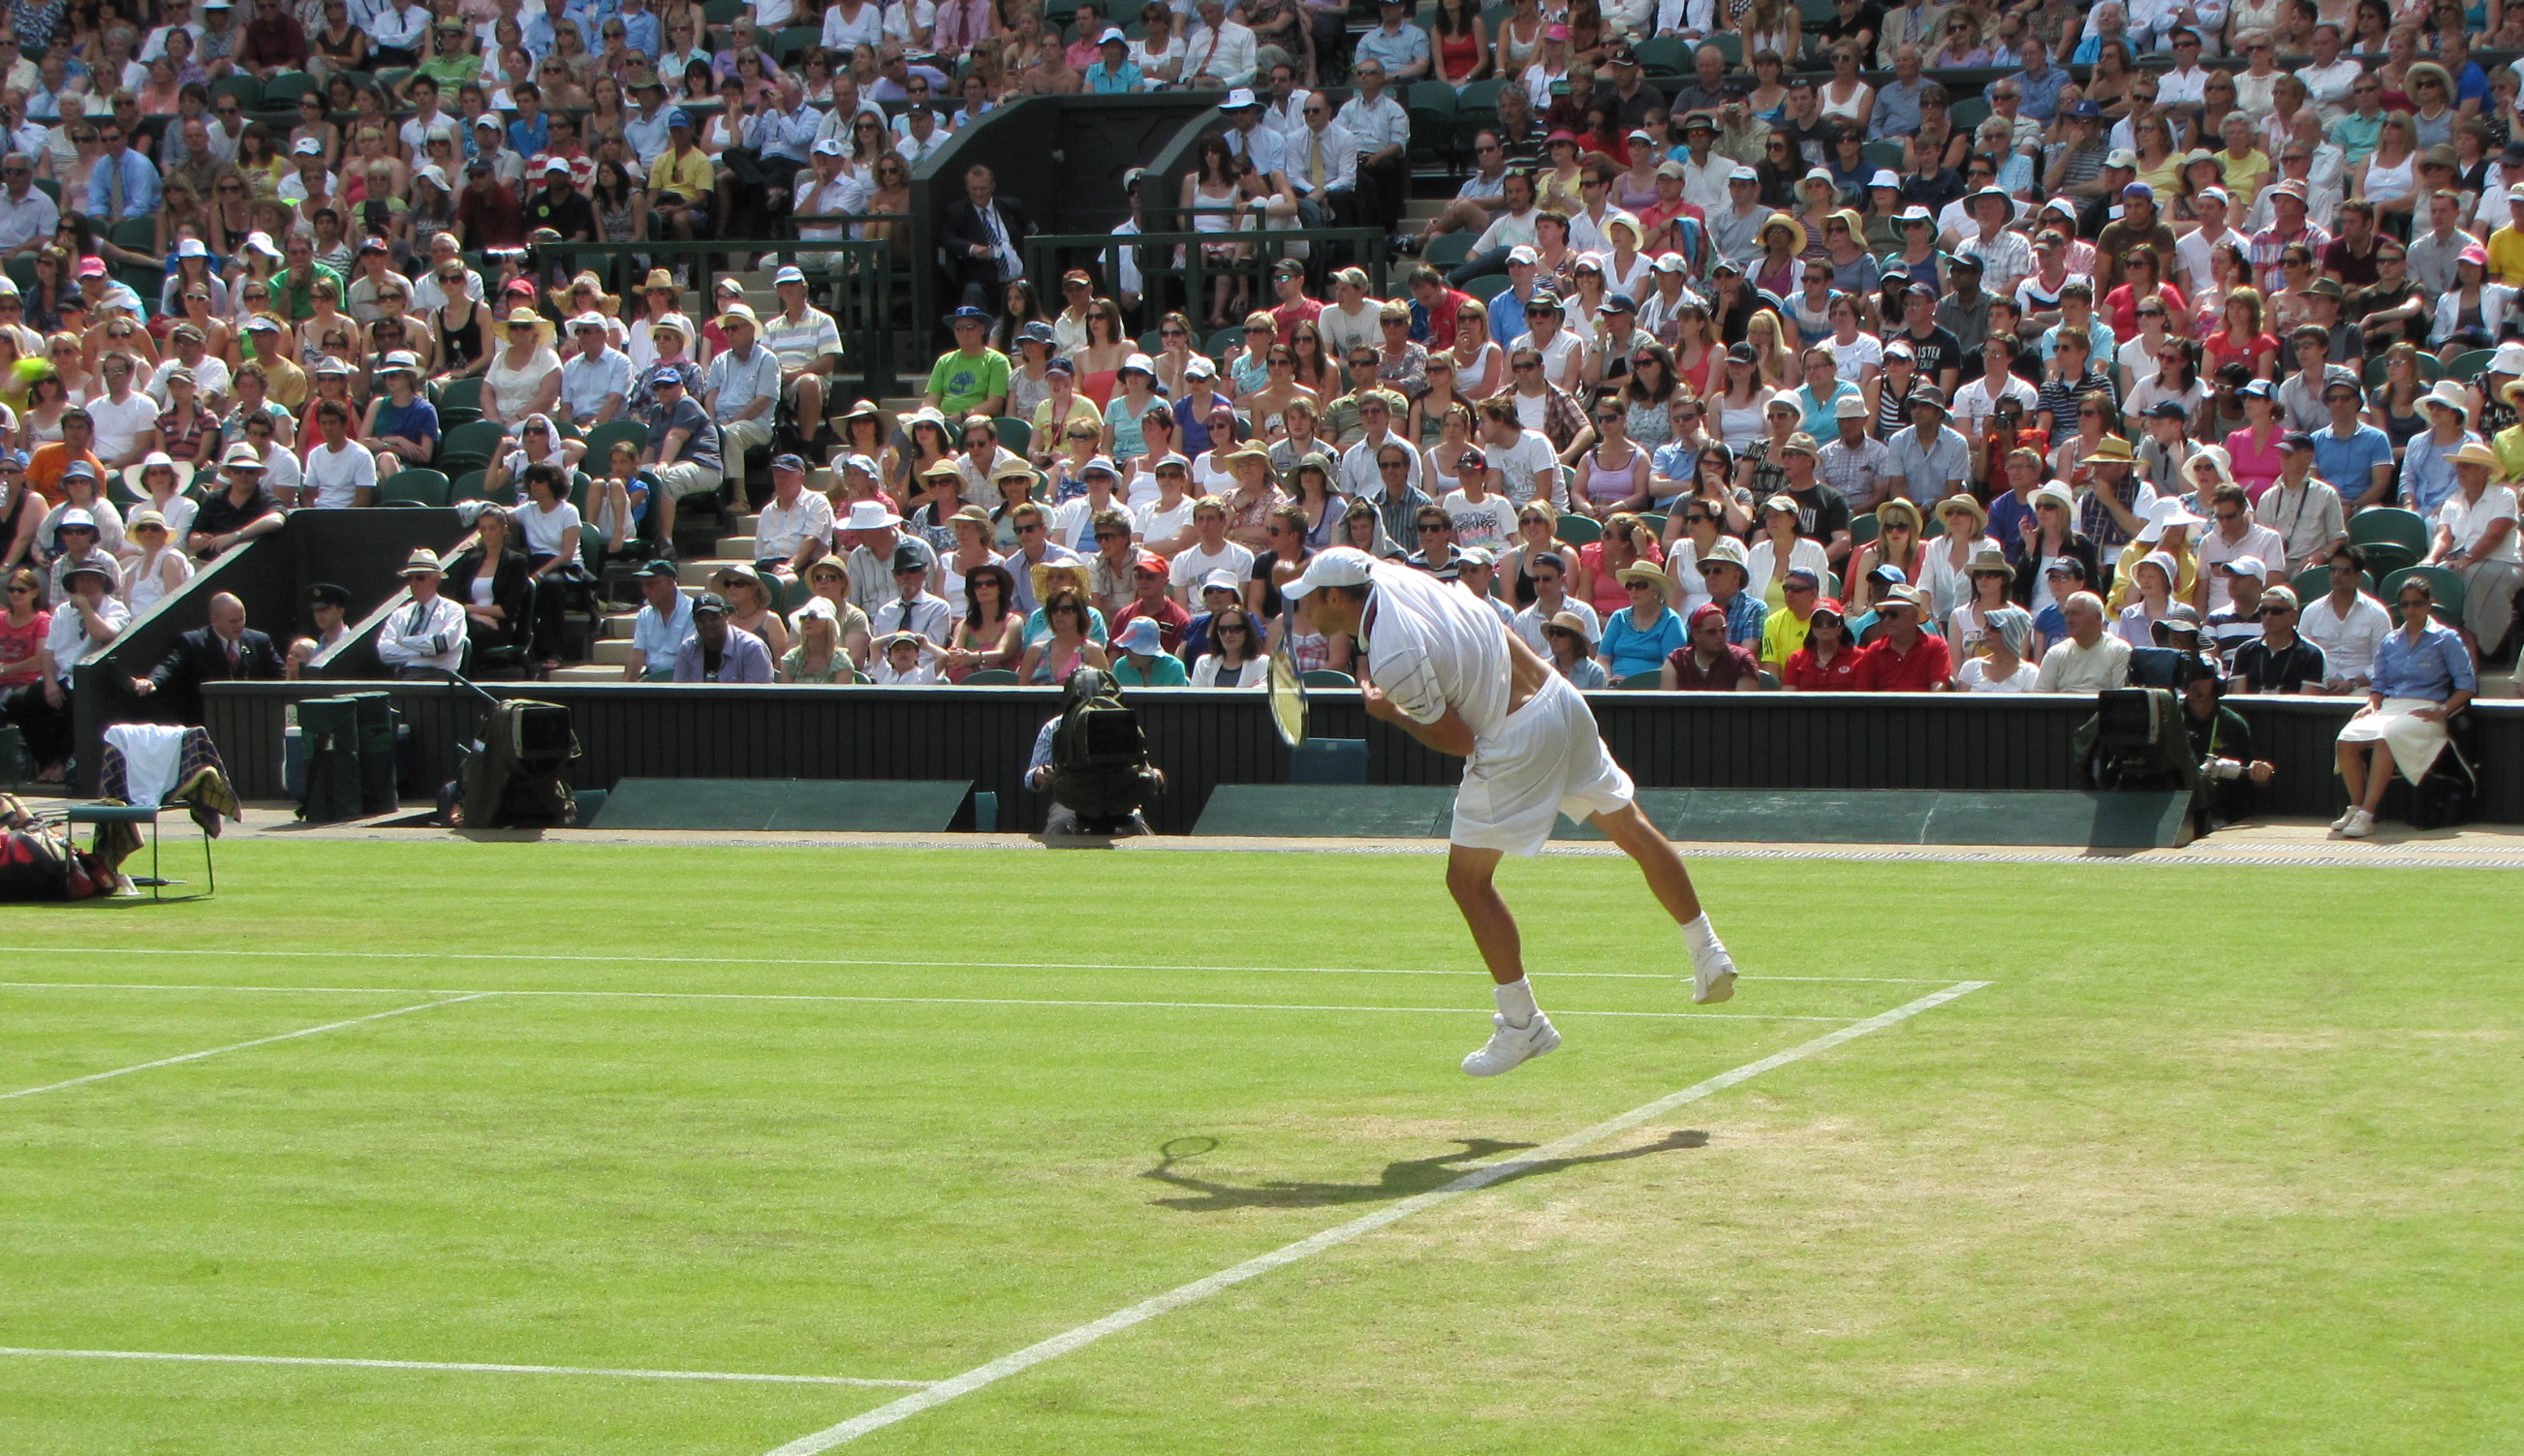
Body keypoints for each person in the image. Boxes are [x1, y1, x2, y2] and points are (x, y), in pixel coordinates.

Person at [1282, 545, 1739, 1078]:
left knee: (1467, 881)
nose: (1304, 611)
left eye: (1310, 600)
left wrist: (1392, 713)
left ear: (1337, 596)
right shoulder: (1392, 574)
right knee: (1628, 826)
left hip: (1514, 737)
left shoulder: (1391, 653)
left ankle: (1523, 1023)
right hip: (1560, 698)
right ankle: (1707, 952)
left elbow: (1458, 740)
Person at [2332, 577, 2475, 838]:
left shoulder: (2447, 638)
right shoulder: (2390, 641)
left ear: (2429, 604)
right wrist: (2371, 704)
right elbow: (2379, 684)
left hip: (2427, 710)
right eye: (2405, 604)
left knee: (2390, 737)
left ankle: (2367, 814)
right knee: (2346, 738)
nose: (2411, 610)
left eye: (2418, 603)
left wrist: (2443, 710)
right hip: (2389, 707)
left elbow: (2467, 685)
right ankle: (2356, 806)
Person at [7, 559, 123, 779]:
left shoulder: (114, 608)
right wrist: (50, 683)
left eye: (91, 579)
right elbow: (49, 652)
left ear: (102, 583)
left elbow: (103, 635)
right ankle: (48, 762)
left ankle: (63, 764)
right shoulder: (62, 611)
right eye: (81, 579)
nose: (85, 584)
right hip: (60, 677)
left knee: (78, 703)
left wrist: (87, 608)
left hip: (89, 681)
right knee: (19, 700)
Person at [2299, 544, 2393, 694]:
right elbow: (2302, 656)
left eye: (2344, 571)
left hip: (2361, 686)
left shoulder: (2377, 614)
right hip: (2319, 683)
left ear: (2358, 576)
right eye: (2333, 570)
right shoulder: (2312, 611)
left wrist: (2352, 683)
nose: (2336, 575)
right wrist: (2320, 681)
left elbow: (2382, 662)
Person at [375, 545, 466, 677]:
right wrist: (423, 653)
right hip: (405, 678)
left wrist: (403, 641)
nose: (413, 583)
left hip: (439, 682)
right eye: (409, 578)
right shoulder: (401, 613)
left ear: (436, 579)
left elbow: (443, 644)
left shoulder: (453, 610)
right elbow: (384, 651)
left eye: (420, 577)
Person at [2033, 591, 2134, 692]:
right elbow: (2040, 697)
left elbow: (2121, 698)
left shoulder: (2119, 650)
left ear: (2097, 617)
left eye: (2075, 613)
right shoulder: (2055, 653)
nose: (2069, 620)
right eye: (2066, 614)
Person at [671, 591, 775, 683]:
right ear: (694, 621)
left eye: (714, 617)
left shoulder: (752, 648)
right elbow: (679, 696)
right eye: (702, 619)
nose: (708, 623)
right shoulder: (687, 649)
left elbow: (758, 699)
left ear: (726, 616)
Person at [621, 559, 693, 682]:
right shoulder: (645, 614)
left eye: (652, 584)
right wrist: (623, 690)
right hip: (652, 676)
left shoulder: (692, 611)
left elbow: (687, 657)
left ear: (670, 582)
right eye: (643, 585)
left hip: (682, 679)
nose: (646, 590)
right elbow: (637, 654)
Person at [1661, 602, 1759, 690]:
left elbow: (1744, 706)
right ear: (1696, 635)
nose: (1720, 636)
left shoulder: (1742, 660)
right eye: (1712, 632)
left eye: (1723, 630)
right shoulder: (1676, 661)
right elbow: (1667, 706)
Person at [1953, 605, 2040, 692]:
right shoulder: (1971, 667)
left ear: (2011, 634)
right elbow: (1960, 704)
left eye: (1994, 628)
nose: (1986, 631)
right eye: (1986, 626)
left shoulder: (2029, 673)